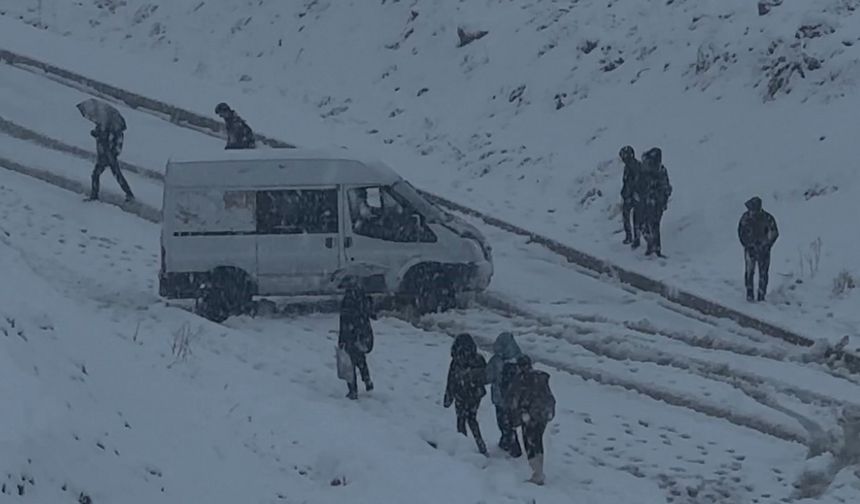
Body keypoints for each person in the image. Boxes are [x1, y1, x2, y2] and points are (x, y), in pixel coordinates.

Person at [508, 355, 556, 486]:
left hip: (529, 415)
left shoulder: (520, 380)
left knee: (530, 443)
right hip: (542, 414)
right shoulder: (540, 377)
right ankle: (539, 470)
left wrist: (515, 418)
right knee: (538, 441)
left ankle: (537, 474)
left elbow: (515, 400)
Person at [443, 333, 488, 455]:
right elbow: (486, 377)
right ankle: (481, 446)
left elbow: (450, 380)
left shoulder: (456, 361)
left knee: (461, 420)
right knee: (472, 419)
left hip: (460, 395)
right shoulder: (478, 359)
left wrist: (448, 397)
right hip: (475, 395)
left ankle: (463, 447)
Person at [485, 332, 524, 457]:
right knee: (512, 421)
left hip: (500, 398)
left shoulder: (496, 361)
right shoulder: (521, 359)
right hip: (516, 399)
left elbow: (488, 377)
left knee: (503, 422)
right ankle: (508, 441)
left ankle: (510, 444)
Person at [338, 281, 375, 399]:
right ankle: (367, 379)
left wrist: (342, 339)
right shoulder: (363, 299)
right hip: (362, 334)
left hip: (350, 335)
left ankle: (353, 390)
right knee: (361, 359)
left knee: (350, 364)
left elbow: (344, 320)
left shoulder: (348, 301)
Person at [737, 196, 779, 302]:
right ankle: (749, 293)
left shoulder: (767, 218)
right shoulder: (745, 218)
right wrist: (747, 245)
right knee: (749, 272)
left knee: (763, 273)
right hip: (750, 250)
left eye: (752, 209)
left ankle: (761, 295)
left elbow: (774, 233)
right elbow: (741, 233)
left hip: (763, 251)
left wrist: (766, 245)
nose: (751, 212)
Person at [637, 147, 672, 257]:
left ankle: (655, 249)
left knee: (654, 225)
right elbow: (639, 184)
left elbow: (666, 188)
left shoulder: (660, 171)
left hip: (656, 202)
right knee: (643, 225)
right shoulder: (645, 171)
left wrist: (661, 199)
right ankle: (651, 244)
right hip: (645, 202)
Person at [87, 125, 134, 202]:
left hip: (109, 156)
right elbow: (98, 135)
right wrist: (96, 134)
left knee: (98, 174)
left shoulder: (116, 131)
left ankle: (94, 195)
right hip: (103, 155)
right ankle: (129, 193)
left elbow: (117, 146)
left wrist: (112, 154)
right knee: (115, 175)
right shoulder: (103, 126)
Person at [619, 145, 642, 246]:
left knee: (635, 218)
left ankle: (634, 238)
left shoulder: (635, 167)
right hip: (630, 195)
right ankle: (631, 237)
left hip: (634, 195)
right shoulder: (628, 166)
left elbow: (634, 183)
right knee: (629, 216)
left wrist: (631, 194)